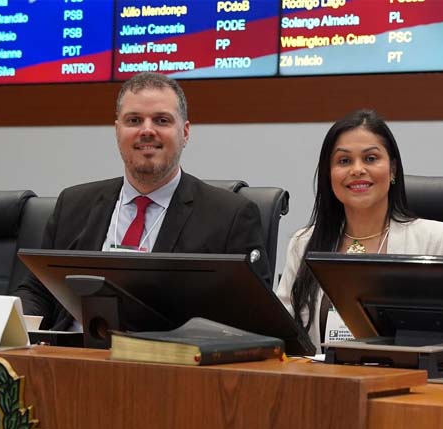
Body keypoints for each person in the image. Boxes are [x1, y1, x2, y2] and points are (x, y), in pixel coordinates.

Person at [16, 72, 270, 330]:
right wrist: (12, 329)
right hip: (69, 357)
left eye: (161, 120)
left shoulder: (230, 217)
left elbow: (251, 319)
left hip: (168, 363)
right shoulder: (73, 204)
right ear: (117, 131)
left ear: (185, 132)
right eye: (134, 120)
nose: (147, 131)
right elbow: (38, 290)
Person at [276, 109, 443, 351]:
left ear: (393, 169)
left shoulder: (437, 240)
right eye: (344, 161)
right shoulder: (304, 243)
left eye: (370, 158)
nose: (357, 170)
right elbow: (282, 331)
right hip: (324, 381)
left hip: (409, 383)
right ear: (329, 174)